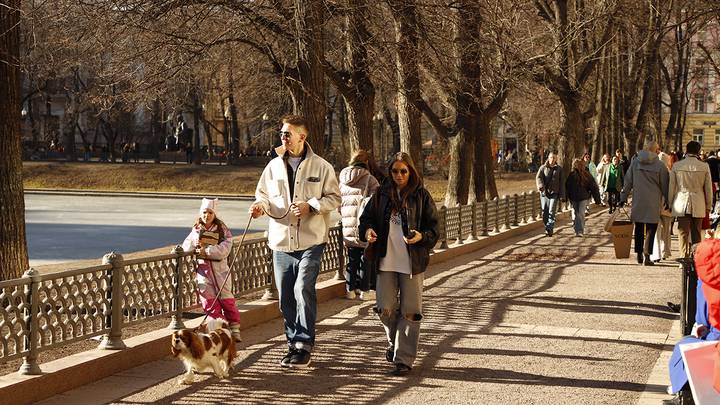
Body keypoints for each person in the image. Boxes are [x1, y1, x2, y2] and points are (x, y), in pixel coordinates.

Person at [249, 115, 341, 369]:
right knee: (285, 298)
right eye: (282, 134)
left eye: (288, 134)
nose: (283, 138)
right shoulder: (272, 167)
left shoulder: (321, 166)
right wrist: (259, 206)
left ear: (303, 136)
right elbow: (263, 195)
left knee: (303, 288)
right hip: (280, 243)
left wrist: (311, 206)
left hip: (311, 241)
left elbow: (335, 198)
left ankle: (304, 344)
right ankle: (292, 344)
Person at [358, 152, 439, 376]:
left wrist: (420, 237)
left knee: (410, 312)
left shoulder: (421, 195)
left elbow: (434, 229)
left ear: (411, 171)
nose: (399, 175)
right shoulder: (381, 194)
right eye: (395, 171)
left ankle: (403, 359)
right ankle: (395, 343)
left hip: (412, 264)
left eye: (404, 171)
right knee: (384, 308)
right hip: (385, 261)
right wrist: (368, 231)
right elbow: (365, 219)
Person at [665, 237, 720, 405]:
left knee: (684, 348)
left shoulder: (708, 285)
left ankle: (684, 393)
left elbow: (703, 322)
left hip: (715, 342)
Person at [182, 198, 242, 342]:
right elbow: (187, 246)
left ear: (214, 214)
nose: (206, 215)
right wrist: (182, 251)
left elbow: (225, 249)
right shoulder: (196, 229)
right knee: (209, 304)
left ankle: (234, 329)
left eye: (210, 212)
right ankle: (219, 331)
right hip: (204, 273)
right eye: (204, 212)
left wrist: (207, 251)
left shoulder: (222, 230)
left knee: (227, 301)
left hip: (220, 272)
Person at [619, 140, 669, 266]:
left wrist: (623, 198)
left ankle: (639, 254)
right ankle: (647, 255)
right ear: (656, 150)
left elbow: (628, 181)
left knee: (639, 228)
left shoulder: (635, 162)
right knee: (651, 229)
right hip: (653, 201)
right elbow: (665, 185)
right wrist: (668, 200)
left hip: (638, 200)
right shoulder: (660, 165)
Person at [339, 150, 380, 300]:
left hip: (347, 225)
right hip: (363, 225)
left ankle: (350, 290)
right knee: (366, 258)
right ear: (366, 162)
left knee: (352, 258)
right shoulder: (370, 179)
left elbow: (338, 203)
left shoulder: (342, 179)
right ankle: (365, 291)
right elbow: (377, 203)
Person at [669, 140, 712, 258]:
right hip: (698, 202)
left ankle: (684, 257)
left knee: (683, 232)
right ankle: (696, 258)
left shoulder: (677, 165)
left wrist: (670, 203)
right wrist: (708, 205)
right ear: (698, 151)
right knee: (696, 233)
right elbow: (708, 188)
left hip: (681, 202)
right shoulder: (704, 166)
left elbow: (671, 187)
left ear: (686, 150)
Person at [565, 158, 601, 237]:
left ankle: (580, 230)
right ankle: (577, 227)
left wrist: (597, 199)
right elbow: (567, 187)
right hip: (573, 198)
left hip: (583, 198)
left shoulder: (587, 174)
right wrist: (565, 197)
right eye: (576, 164)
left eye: (580, 164)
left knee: (580, 213)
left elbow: (593, 187)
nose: (579, 166)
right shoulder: (571, 175)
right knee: (575, 213)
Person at [535, 152, 565, 237]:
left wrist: (562, 195)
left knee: (552, 211)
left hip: (554, 193)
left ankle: (549, 228)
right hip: (545, 193)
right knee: (545, 211)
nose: (552, 159)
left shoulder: (559, 169)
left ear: (556, 159)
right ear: (548, 158)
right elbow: (538, 177)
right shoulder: (543, 168)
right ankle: (547, 226)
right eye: (551, 158)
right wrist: (541, 186)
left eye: (554, 158)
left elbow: (562, 182)